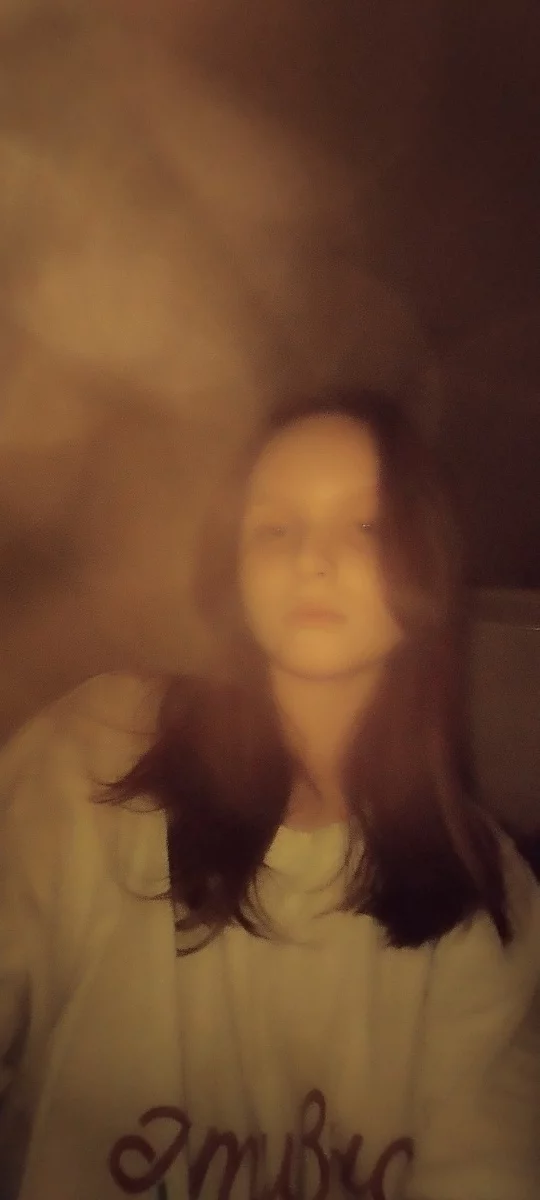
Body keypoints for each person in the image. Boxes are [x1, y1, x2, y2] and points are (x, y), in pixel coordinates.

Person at [0, 389, 539, 1200]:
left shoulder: (490, 900)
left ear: (427, 561)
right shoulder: (94, 751)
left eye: (365, 526)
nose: (311, 558)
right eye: (276, 527)